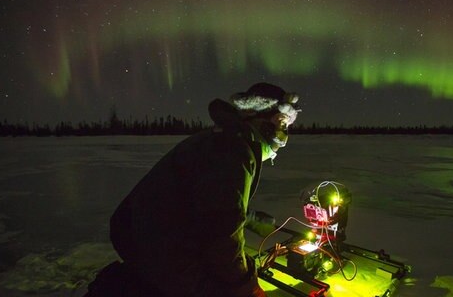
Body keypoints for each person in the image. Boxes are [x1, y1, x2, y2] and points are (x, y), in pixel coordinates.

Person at [85, 83, 300, 297]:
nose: (283, 134)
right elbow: (221, 236)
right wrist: (247, 287)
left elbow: (210, 202)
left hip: (139, 235)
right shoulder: (235, 151)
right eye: (282, 122)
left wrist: (251, 218)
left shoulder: (223, 139)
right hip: (161, 248)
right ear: (261, 119)